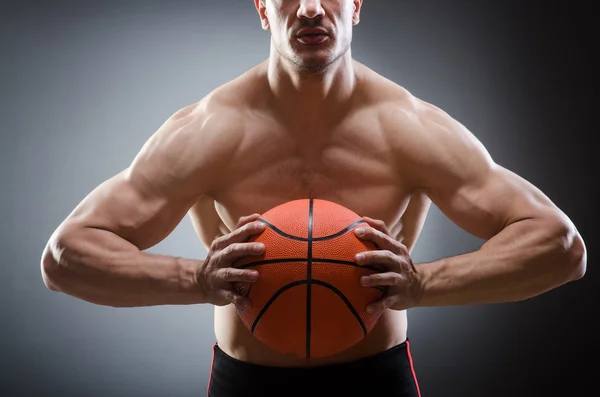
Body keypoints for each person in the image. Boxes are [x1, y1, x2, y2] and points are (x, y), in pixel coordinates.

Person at [40, 1, 587, 396]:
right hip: (248, 383)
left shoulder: (409, 128)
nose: (307, 8)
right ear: (261, 9)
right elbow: (66, 258)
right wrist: (194, 280)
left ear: (355, 7)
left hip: (375, 379)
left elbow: (560, 246)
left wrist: (424, 285)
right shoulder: (209, 131)